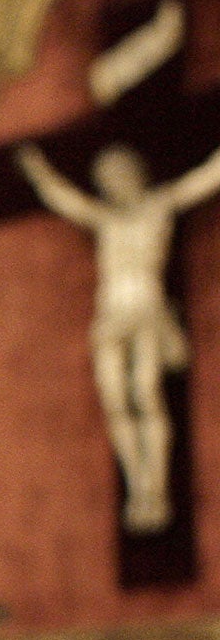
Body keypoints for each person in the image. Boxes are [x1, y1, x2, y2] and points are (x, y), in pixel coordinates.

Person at [15, 136, 220, 533]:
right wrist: (39, 173)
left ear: (136, 174)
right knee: (116, 403)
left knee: (145, 395)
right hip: (110, 316)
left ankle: (156, 489)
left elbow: (205, 179)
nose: (115, 182)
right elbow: (65, 200)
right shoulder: (105, 219)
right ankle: (136, 487)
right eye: (107, 178)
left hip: (146, 311)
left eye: (121, 174)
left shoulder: (158, 206)